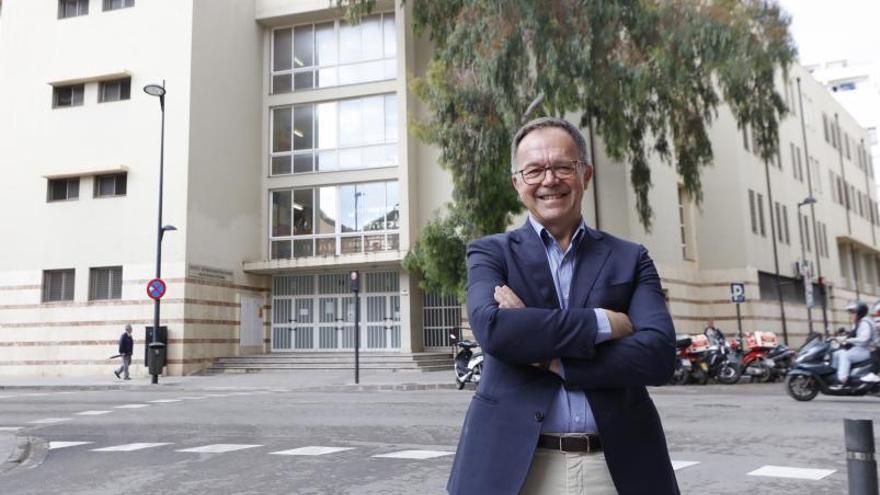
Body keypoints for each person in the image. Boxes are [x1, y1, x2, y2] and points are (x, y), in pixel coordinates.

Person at [447, 117, 678, 495]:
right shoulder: (490, 253)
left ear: (585, 174)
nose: (549, 180)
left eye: (562, 167)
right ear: (517, 183)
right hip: (514, 469)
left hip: (617, 466)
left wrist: (549, 357)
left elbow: (658, 355)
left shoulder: (630, 257)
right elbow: (493, 331)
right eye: (534, 170)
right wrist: (604, 323)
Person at [831, 301, 875, 389]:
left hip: (867, 349)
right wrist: (841, 337)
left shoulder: (865, 323)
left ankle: (841, 381)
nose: (850, 315)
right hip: (860, 348)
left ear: (860, 312)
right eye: (850, 312)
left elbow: (863, 339)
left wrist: (847, 340)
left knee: (845, 356)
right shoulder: (858, 322)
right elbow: (853, 334)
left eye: (853, 312)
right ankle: (834, 376)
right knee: (837, 353)